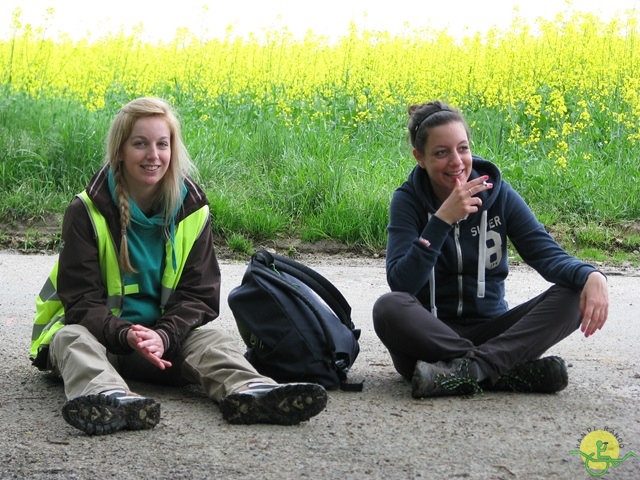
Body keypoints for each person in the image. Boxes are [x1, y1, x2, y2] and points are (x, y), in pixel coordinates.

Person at [29, 97, 327, 435]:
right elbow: (81, 301)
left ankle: (253, 392)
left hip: (163, 344)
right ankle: (107, 398)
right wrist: (127, 334)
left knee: (213, 340)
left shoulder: (191, 209)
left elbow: (199, 295)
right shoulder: (85, 210)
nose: (153, 155)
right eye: (140, 144)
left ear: (173, 150)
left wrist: (162, 335)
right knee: (70, 338)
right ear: (120, 151)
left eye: (162, 144)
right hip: (103, 341)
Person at [372, 100, 609, 398]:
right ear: (420, 157)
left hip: (494, 331)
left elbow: (545, 253)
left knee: (576, 292)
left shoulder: (499, 195)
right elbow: (401, 282)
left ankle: (468, 372)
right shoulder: (407, 201)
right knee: (388, 307)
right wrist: (442, 220)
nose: (457, 162)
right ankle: (503, 371)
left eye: (463, 148)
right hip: (429, 338)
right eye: (441, 153)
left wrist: (592, 275)